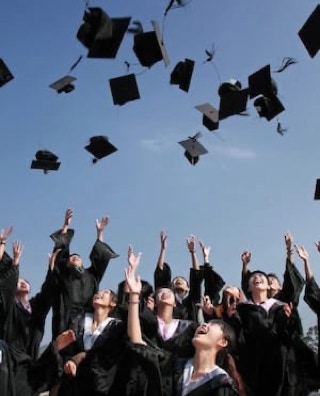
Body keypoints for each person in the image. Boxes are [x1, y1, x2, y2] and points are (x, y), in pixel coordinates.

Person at [125, 251, 239, 396]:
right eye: (206, 323)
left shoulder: (223, 385)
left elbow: (197, 283)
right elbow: (138, 343)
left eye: (212, 325)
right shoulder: (173, 367)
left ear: (223, 342)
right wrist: (134, 295)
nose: (204, 325)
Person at [0, 229, 60, 396]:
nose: (23, 283)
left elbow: (48, 292)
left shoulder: (36, 306)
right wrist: (15, 261)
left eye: (26, 282)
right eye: (19, 281)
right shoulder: (10, 305)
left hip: (28, 360)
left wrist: (51, 268)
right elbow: (5, 286)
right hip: (8, 358)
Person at [49, 208, 119, 338]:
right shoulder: (64, 275)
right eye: (71, 257)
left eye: (78, 256)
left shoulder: (91, 275)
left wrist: (100, 233)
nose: (74, 257)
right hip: (65, 319)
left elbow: (100, 257)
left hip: (87, 321)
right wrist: (65, 226)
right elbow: (60, 252)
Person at [236, 269, 306, 396]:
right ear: (249, 288)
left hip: (282, 366)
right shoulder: (242, 310)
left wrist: (288, 320)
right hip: (256, 367)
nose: (257, 277)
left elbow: (292, 335)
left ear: (268, 286)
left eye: (261, 276)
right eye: (253, 277)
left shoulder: (280, 306)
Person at [57, 287, 125, 396]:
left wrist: (83, 356)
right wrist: (68, 361)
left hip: (100, 384)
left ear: (112, 303)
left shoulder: (116, 326)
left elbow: (111, 355)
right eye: (98, 292)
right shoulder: (78, 322)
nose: (99, 293)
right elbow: (67, 349)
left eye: (105, 292)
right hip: (74, 383)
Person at [154, 232, 206, 321]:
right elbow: (160, 273)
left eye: (182, 280)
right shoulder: (167, 299)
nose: (178, 280)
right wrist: (163, 250)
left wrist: (193, 252)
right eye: (175, 280)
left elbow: (196, 275)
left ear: (188, 288)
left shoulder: (192, 300)